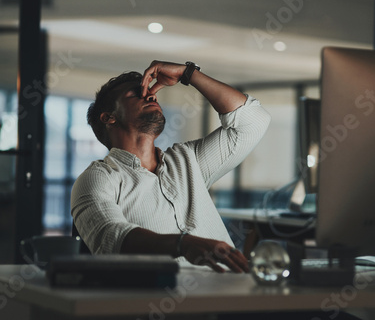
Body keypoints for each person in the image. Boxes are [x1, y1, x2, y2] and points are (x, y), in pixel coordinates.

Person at [71, 60, 271, 273]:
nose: (149, 96)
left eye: (150, 92)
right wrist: (182, 244)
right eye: (135, 94)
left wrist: (189, 74)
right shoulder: (96, 178)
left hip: (235, 293)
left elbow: (253, 121)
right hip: (163, 300)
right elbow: (111, 238)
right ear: (108, 118)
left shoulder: (188, 159)